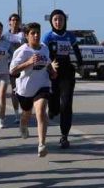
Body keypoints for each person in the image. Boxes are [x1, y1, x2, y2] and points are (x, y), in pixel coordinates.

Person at [10, 22, 56, 157]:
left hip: (42, 85)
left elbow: (47, 64)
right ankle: (23, 126)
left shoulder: (44, 48)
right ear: (26, 35)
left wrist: (52, 71)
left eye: (38, 33)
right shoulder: (22, 51)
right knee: (26, 114)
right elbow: (12, 70)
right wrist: (28, 62)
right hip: (24, 89)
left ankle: (42, 144)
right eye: (33, 33)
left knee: (41, 111)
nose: (36, 36)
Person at [43, 9, 83, 149]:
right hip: (52, 72)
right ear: (51, 22)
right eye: (55, 20)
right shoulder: (47, 37)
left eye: (61, 19)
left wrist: (80, 65)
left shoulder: (70, 36)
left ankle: (64, 136)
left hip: (67, 72)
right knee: (54, 103)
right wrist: (49, 65)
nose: (58, 22)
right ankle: (52, 109)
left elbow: (77, 52)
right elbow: (42, 54)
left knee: (66, 104)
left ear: (65, 21)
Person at [5, 13, 26, 122]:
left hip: (23, 64)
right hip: (11, 65)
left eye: (17, 20)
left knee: (24, 88)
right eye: (13, 20)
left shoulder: (23, 35)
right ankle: (17, 114)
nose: (15, 22)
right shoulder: (5, 36)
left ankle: (25, 111)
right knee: (14, 89)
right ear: (9, 22)